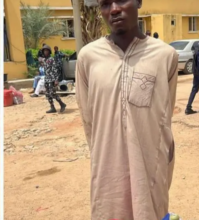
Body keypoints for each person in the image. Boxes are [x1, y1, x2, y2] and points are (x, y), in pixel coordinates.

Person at [76, 0, 178, 219]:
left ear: (139, 1)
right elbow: (89, 120)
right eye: (105, 4)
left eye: (122, 0)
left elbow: (164, 118)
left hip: (150, 168)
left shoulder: (165, 56)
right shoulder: (88, 58)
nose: (113, 9)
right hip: (107, 168)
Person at [41, 45, 66, 113]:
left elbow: (55, 69)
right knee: (48, 94)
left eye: (47, 50)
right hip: (46, 79)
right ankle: (52, 107)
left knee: (52, 93)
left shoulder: (51, 59)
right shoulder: (44, 60)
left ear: (49, 52)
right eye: (44, 51)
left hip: (52, 79)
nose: (45, 52)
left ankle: (62, 104)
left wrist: (56, 80)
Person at [185, 42, 199, 115]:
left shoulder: (196, 44)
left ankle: (188, 107)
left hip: (196, 72)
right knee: (194, 89)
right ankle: (188, 107)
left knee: (194, 89)